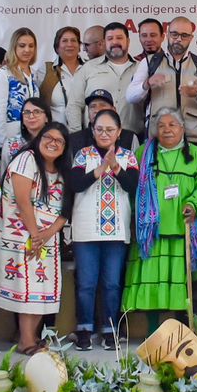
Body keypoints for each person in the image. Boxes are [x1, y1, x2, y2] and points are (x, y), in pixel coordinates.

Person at [124, 108, 197, 334]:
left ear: (182, 129)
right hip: (150, 234)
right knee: (152, 283)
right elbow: (131, 188)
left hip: (181, 231)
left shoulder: (195, 155)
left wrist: (194, 205)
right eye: (161, 125)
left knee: (181, 286)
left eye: (172, 125)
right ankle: (153, 332)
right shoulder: (143, 153)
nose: (167, 129)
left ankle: (181, 333)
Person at [65, 109, 139, 351]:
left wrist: (115, 166)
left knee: (112, 284)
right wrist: (100, 168)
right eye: (99, 129)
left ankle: (110, 330)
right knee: (86, 284)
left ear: (119, 132)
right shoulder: (83, 155)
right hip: (86, 230)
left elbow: (132, 186)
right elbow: (76, 184)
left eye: (109, 130)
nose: (104, 134)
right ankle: (84, 329)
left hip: (116, 231)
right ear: (92, 130)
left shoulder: (128, 156)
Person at [0, 124, 71, 354]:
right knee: (26, 289)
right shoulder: (26, 160)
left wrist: (47, 235)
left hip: (45, 239)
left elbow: (66, 209)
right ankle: (26, 341)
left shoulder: (62, 170)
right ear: (39, 139)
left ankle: (32, 337)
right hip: (20, 236)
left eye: (59, 140)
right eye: (48, 137)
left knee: (41, 288)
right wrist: (35, 235)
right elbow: (22, 201)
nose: (53, 143)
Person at [128, 17, 197, 140]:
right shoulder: (150, 62)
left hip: (192, 137)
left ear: (191, 38)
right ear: (167, 34)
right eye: (174, 34)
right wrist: (147, 84)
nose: (178, 39)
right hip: (159, 136)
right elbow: (130, 97)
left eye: (184, 35)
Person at [73, 22, 144, 139]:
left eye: (119, 38)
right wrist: (77, 136)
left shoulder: (141, 68)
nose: (115, 42)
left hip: (132, 138)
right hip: (94, 138)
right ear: (104, 42)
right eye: (110, 38)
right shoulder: (88, 68)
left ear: (128, 41)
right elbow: (75, 104)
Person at [0, 27, 43, 150]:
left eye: (31, 46)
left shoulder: (35, 74)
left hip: (33, 135)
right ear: (14, 47)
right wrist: (1, 143)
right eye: (22, 46)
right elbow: (0, 110)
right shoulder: (4, 74)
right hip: (11, 135)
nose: (27, 50)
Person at [37, 26, 83, 126]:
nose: (69, 44)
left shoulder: (89, 68)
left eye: (73, 40)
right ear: (57, 47)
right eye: (65, 41)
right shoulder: (45, 71)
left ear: (79, 46)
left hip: (87, 132)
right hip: (56, 132)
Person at [0, 96, 50, 173]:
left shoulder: (55, 141)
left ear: (47, 118)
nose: (31, 116)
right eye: (27, 112)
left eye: (37, 112)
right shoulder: (10, 145)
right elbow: (5, 174)